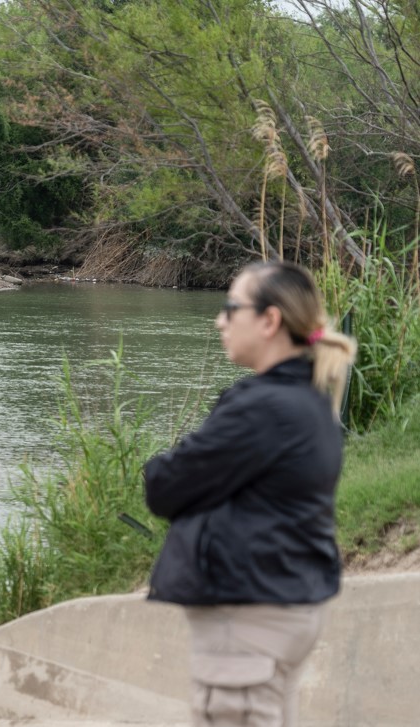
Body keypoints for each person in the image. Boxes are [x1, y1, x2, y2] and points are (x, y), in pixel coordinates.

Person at [142, 261, 357, 727]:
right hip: (280, 608)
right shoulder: (309, 399)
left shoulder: (263, 408)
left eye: (230, 308)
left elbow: (164, 486)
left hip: (248, 625)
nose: (220, 321)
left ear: (270, 320)